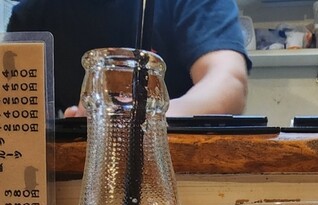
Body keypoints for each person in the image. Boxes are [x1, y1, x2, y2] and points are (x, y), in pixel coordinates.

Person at [7, 0, 250, 117]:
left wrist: (140, 118)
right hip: (78, 178)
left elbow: (228, 84)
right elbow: (16, 114)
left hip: (182, 169)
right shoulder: (31, 15)